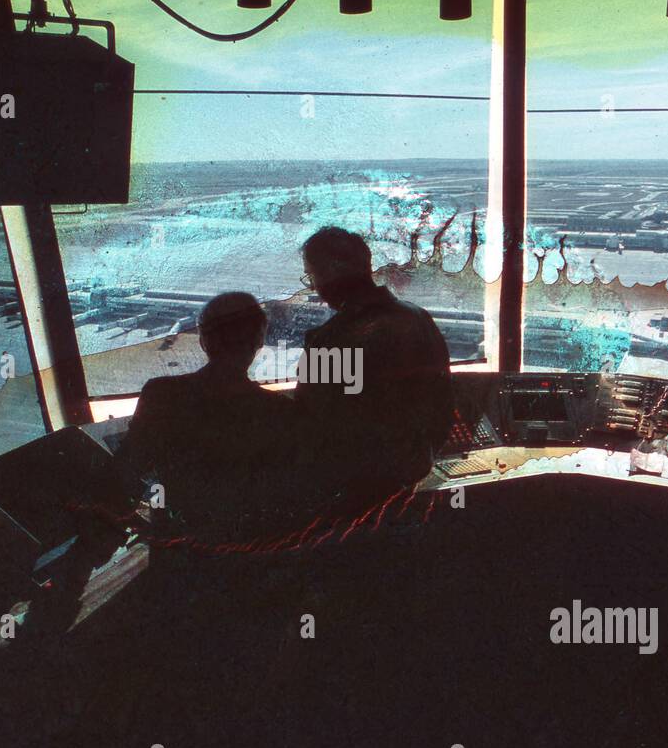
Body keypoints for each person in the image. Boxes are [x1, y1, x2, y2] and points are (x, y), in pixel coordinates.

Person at [295, 226, 454, 509]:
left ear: (332, 270)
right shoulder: (420, 320)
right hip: (415, 478)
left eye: (312, 276)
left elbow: (311, 427)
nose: (313, 288)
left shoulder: (330, 340)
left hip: (355, 496)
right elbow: (443, 406)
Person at [116, 291, 294, 542]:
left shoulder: (161, 394)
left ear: (203, 340)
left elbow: (129, 467)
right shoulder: (279, 411)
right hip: (248, 547)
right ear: (259, 340)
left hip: (177, 541)